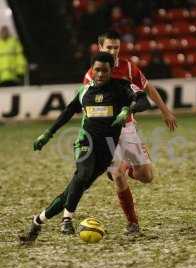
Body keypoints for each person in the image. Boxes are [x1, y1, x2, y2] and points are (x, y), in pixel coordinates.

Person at [19, 52, 151, 244]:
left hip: (106, 152)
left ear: (111, 70)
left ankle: (38, 221)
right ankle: (66, 220)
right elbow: (67, 113)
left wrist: (127, 109)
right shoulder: (84, 92)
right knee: (83, 174)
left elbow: (143, 100)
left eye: (104, 70)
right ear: (91, 70)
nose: (100, 74)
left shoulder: (122, 87)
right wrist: (47, 134)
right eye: (96, 70)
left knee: (73, 190)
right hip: (84, 143)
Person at [83, 31, 177, 235]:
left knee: (146, 176)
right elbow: (86, 106)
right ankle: (133, 223)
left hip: (127, 127)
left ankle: (125, 167)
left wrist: (165, 111)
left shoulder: (127, 67)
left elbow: (147, 88)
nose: (113, 51)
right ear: (100, 48)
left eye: (116, 47)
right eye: (109, 47)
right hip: (105, 133)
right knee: (116, 174)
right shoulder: (92, 74)